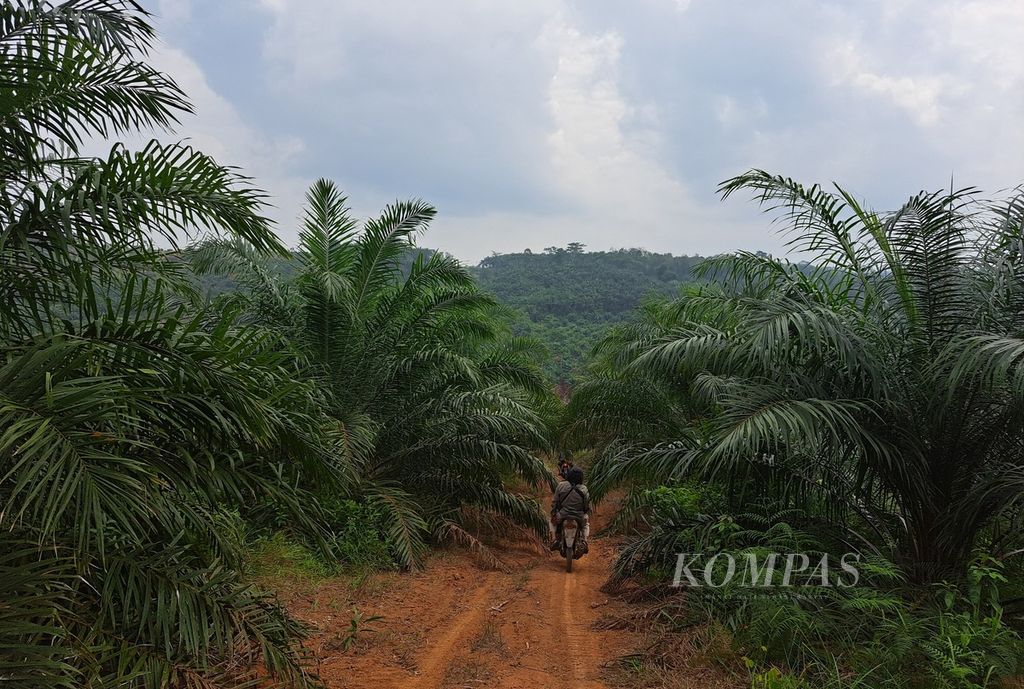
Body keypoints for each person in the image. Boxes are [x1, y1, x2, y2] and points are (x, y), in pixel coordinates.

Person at [549, 466, 590, 552]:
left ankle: (554, 539)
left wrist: (554, 511)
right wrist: (585, 511)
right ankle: (585, 542)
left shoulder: (561, 485)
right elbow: (586, 505)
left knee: (552, 521)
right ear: (581, 477)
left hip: (563, 515)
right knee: (586, 525)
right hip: (578, 516)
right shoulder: (584, 489)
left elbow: (555, 501)